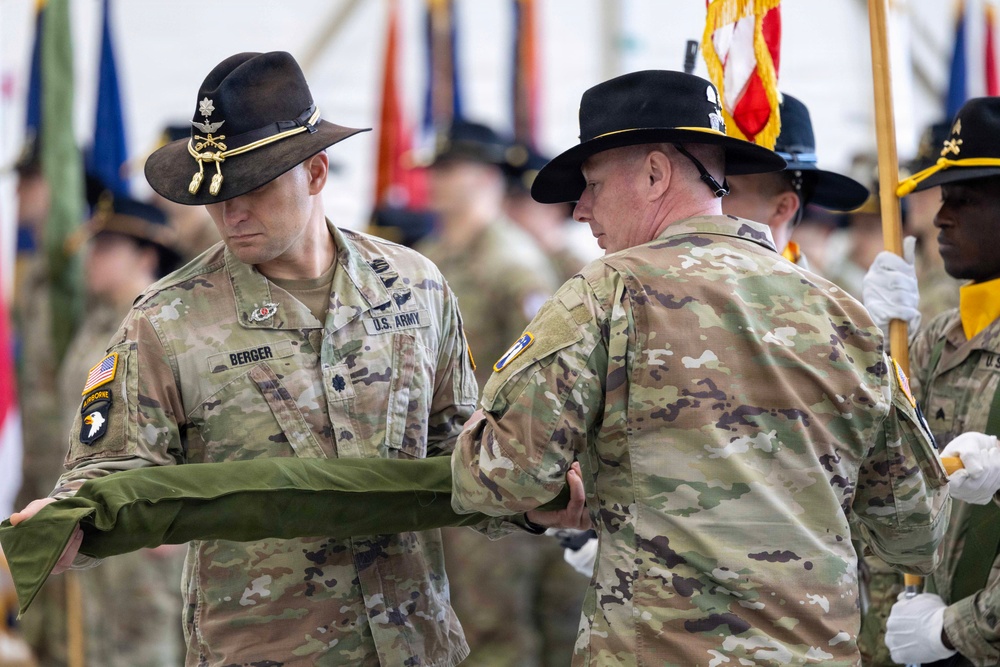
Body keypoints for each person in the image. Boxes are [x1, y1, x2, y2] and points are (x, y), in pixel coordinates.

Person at [9, 50, 556, 667]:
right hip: (263, 648)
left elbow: (457, 450)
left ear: (317, 172)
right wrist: (68, 519)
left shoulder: (415, 287)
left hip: (414, 642)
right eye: (214, 193)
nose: (230, 213)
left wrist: (530, 502)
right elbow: (109, 471)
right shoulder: (165, 320)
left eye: (253, 186)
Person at [449, 69, 951, 665]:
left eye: (593, 184)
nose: (580, 210)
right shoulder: (845, 316)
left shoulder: (604, 295)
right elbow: (916, 527)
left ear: (657, 173)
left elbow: (501, 476)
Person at [415, 121, 586, 667]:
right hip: (441, 464)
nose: (439, 182)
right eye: (436, 170)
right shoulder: (425, 258)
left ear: (488, 176)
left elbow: (550, 372)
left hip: (501, 468)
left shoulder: (511, 262)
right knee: (461, 618)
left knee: (499, 625)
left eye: (452, 169)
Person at [864, 96, 1000, 666]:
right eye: (943, 198)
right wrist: (866, 348)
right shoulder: (936, 336)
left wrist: (954, 629)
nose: (941, 217)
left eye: (963, 201)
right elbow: (867, 465)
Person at [56, 190, 186, 667]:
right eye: (96, 245)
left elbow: (194, 424)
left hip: (146, 519)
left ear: (146, 255)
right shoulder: (98, 323)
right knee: (102, 640)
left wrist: (176, 515)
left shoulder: (167, 326)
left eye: (108, 247)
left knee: (145, 643)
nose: (93, 257)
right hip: (96, 512)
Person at [721, 92, 870, 266]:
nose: (705, 200)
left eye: (725, 188)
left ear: (782, 208)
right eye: (705, 180)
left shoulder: (814, 293)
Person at [504, 142, 600, 283]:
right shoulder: (513, 258)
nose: (508, 212)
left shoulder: (580, 275)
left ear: (556, 211)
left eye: (519, 204)